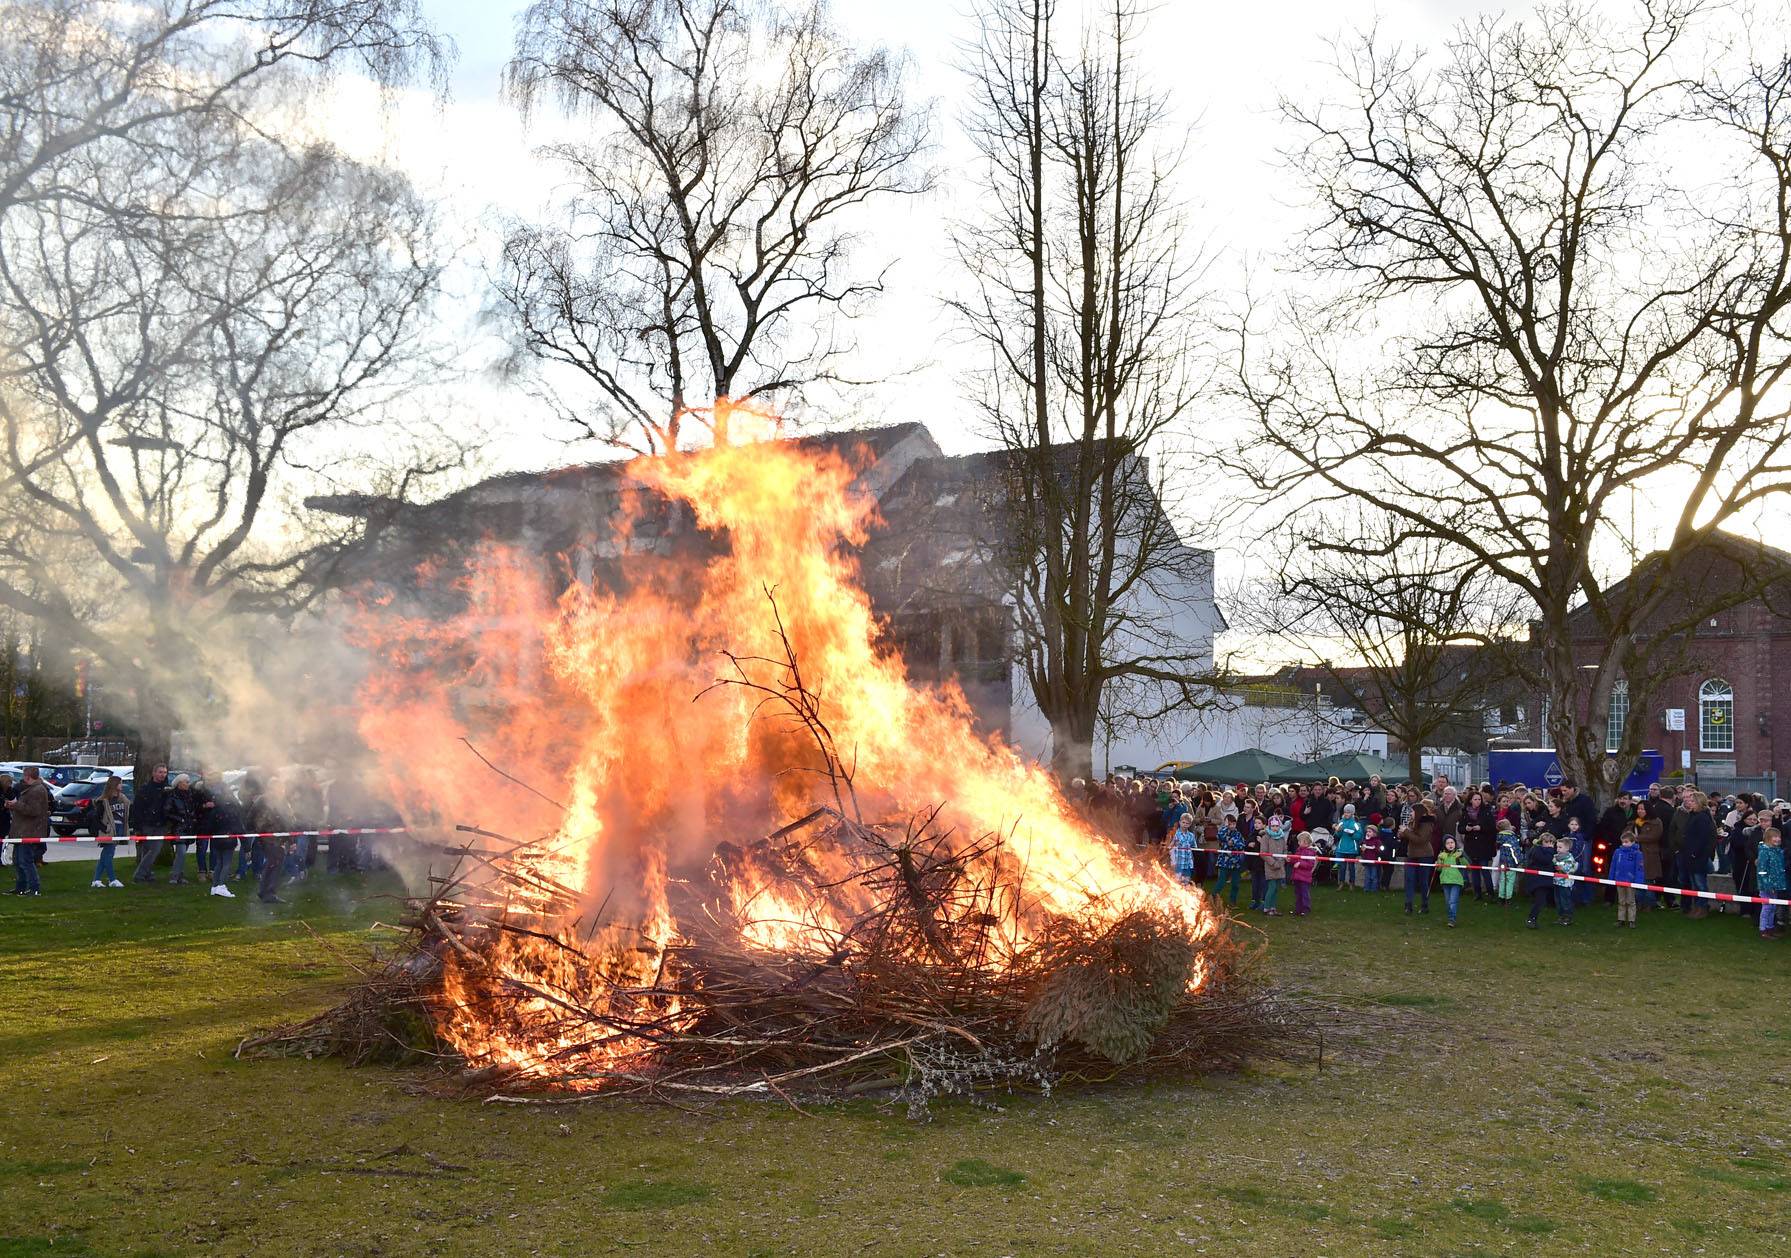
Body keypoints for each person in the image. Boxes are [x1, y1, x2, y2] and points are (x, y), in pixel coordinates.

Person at [6, 765, 49, 895]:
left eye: (24, 775)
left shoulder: (37, 790)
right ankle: (21, 887)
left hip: (29, 831)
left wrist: (16, 805)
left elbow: (34, 810)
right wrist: (14, 806)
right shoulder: (32, 789)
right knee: (18, 861)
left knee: (26, 861)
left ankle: (34, 888)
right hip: (22, 831)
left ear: (28, 776)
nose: (23, 778)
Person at [130, 764, 171, 884]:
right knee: (149, 851)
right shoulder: (145, 789)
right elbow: (137, 808)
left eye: (164, 772)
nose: (162, 775)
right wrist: (138, 825)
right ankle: (141, 875)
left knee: (153, 850)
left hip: (161, 824)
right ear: (153, 773)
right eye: (160, 772)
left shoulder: (167, 790)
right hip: (147, 824)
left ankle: (146, 874)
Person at [1681, 792, 1717, 918]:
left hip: (1698, 856)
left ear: (1699, 803)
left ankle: (1702, 906)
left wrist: (1694, 853)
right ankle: (1696, 906)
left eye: (1693, 801)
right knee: (1694, 884)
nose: (1689, 803)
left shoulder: (1702, 818)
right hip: (1691, 855)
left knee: (1700, 883)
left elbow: (1702, 839)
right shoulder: (1693, 815)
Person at [90, 776, 127, 889]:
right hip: (109, 830)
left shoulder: (122, 798)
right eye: (120, 783)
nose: (122, 785)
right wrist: (104, 828)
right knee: (109, 854)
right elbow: (94, 818)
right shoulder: (104, 801)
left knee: (105, 855)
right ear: (114, 785)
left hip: (119, 828)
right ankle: (112, 879)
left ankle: (96, 880)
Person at [164, 774, 198, 885]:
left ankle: (179, 875)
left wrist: (192, 819)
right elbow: (167, 812)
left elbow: (193, 809)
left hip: (188, 828)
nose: (188, 784)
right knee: (181, 853)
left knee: (182, 853)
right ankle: (174, 876)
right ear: (179, 783)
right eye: (186, 782)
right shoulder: (172, 796)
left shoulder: (190, 796)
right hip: (178, 828)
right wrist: (180, 820)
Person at [1403, 810, 1438, 916]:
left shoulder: (1427, 824)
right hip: (1412, 855)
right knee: (1409, 879)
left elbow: (1421, 840)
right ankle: (1408, 905)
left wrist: (1406, 832)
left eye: (1413, 811)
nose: (1410, 813)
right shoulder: (1411, 822)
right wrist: (1402, 833)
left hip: (1424, 855)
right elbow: (1409, 837)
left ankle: (1424, 905)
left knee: (1423, 881)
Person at [1608, 828, 1645, 929]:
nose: (1624, 844)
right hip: (1619, 879)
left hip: (1630, 881)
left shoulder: (1637, 854)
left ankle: (1632, 920)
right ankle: (1621, 919)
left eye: (1626, 842)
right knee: (1621, 901)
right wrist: (1611, 878)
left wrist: (1638, 881)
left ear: (1632, 842)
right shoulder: (1618, 852)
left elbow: (1639, 869)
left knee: (1631, 901)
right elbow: (1613, 865)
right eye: (1623, 842)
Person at [1213, 810, 1248, 908]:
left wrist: (1234, 843)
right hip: (1224, 862)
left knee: (1236, 884)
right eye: (1230, 823)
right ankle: (1214, 897)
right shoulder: (1222, 831)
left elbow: (1242, 844)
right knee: (1221, 881)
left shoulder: (1237, 834)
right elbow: (1221, 837)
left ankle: (1232, 902)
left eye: (1234, 823)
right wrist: (1228, 841)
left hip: (1235, 862)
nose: (1232, 826)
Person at [1523, 832, 1557, 929]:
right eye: (1547, 842)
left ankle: (1533, 918)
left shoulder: (1547, 852)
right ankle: (1531, 918)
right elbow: (1546, 860)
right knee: (1540, 901)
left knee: (1541, 901)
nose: (1549, 844)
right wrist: (1550, 850)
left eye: (1551, 842)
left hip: (1543, 880)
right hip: (1538, 881)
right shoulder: (1537, 850)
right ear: (1541, 842)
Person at [1758, 828, 1785, 940]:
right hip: (1767, 886)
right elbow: (1762, 870)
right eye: (1775, 836)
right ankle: (1763, 930)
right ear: (1768, 838)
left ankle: (1770, 928)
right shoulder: (1764, 851)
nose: (1777, 839)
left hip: (1775, 885)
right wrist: (1768, 885)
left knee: (1773, 907)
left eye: (1779, 836)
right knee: (1767, 908)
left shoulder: (1777, 851)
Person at [1260, 814, 1288, 916]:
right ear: (1269, 826)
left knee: (1276, 888)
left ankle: (1273, 907)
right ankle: (1266, 907)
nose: (1275, 828)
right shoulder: (1266, 837)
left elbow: (1285, 849)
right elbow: (1263, 853)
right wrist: (1273, 862)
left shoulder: (1282, 837)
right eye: (1273, 826)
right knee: (1271, 887)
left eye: (1277, 826)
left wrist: (1282, 861)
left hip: (1280, 865)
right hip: (1270, 866)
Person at [1436, 834, 1466, 927]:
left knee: (1453, 901)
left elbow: (1467, 865)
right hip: (1445, 881)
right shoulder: (1442, 855)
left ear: (1455, 843)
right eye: (1448, 843)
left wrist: (1461, 857)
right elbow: (1439, 869)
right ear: (1444, 845)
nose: (1450, 845)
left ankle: (1452, 919)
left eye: (1452, 842)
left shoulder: (1459, 854)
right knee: (1448, 901)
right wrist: (1438, 862)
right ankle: (1450, 916)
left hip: (1456, 881)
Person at [1288, 830, 1318, 917]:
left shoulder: (1310, 852)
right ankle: (1298, 909)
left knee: (1304, 893)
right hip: (1297, 876)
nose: (1298, 842)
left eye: (1299, 841)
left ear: (1305, 842)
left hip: (1305, 877)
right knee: (1298, 893)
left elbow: (1310, 864)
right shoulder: (1299, 850)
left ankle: (1305, 909)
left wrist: (1300, 864)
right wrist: (1291, 859)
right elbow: (1296, 859)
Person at [1333, 804, 1363, 890]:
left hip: (1352, 849)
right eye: (1345, 812)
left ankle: (1351, 883)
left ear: (1352, 813)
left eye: (1348, 812)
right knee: (1342, 867)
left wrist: (1352, 834)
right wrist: (1338, 831)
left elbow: (1359, 836)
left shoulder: (1355, 824)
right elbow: (1338, 835)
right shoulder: (1341, 822)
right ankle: (1341, 883)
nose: (1346, 814)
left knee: (1351, 867)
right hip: (1342, 848)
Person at [1552, 835, 1579, 926]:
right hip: (1557, 881)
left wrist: (1558, 866)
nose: (1558, 849)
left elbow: (1567, 869)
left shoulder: (1569, 859)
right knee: (1558, 900)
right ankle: (1561, 916)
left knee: (1565, 900)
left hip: (1565, 883)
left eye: (1560, 847)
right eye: (1557, 847)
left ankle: (1568, 917)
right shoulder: (1556, 857)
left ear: (1567, 848)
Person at [1494, 820, 1522, 904]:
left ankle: (1501, 896)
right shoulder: (1511, 838)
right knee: (1510, 880)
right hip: (1511, 863)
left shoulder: (1501, 838)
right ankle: (1508, 898)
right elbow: (1515, 851)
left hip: (1503, 862)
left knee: (1502, 879)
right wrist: (1518, 862)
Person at [1169, 813, 1198, 885]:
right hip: (1178, 863)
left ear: (1190, 824)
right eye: (1183, 822)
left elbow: (1194, 847)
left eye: (1187, 823)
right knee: (1177, 883)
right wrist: (1173, 861)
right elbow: (1170, 847)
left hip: (1188, 863)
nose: (1185, 824)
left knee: (1186, 882)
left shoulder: (1191, 835)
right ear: (1180, 822)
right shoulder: (1176, 834)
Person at [1360, 823, 1384, 893]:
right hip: (1367, 861)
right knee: (1367, 876)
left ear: (1375, 833)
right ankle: (1366, 889)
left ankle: (1374, 889)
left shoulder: (1377, 841)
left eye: (1370, 832)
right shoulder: (1365, 841)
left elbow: (1379, 850)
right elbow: (1362, 849)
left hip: (1374, 861)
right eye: (1367, 831)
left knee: (1374, 876)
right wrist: (1362, 849)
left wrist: (1374, 848)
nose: (1368, 833)